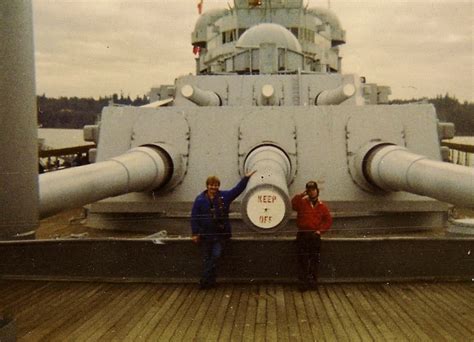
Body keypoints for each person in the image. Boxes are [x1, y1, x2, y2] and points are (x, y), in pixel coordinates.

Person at [191, 170, 256, 289]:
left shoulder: (224, 197)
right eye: (211, 185)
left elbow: (237, 190)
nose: (213, 187)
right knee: (207, 259)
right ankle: (210, 282)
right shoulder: (199, 200)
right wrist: (195, 233)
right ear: (207, 186)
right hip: (205, 235)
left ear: (218, 186)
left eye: (216, 185)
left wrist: (246, 178)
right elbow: (194, 216)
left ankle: (204, 280)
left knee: (215, 256)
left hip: (219, 235)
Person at [291, 180, 332, 291]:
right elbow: (293, 204)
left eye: (313, 190)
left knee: (314, 260)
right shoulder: (302, 203)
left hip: (314, 236)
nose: (312, 192)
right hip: (303, 234)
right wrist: (301, 195)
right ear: (307, 191)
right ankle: (302, 284)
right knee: (302, 260)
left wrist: (320, 231)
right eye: (309, 190)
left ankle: (313, 283)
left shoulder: (322, 206)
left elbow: (328, 220)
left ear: (317, 191)